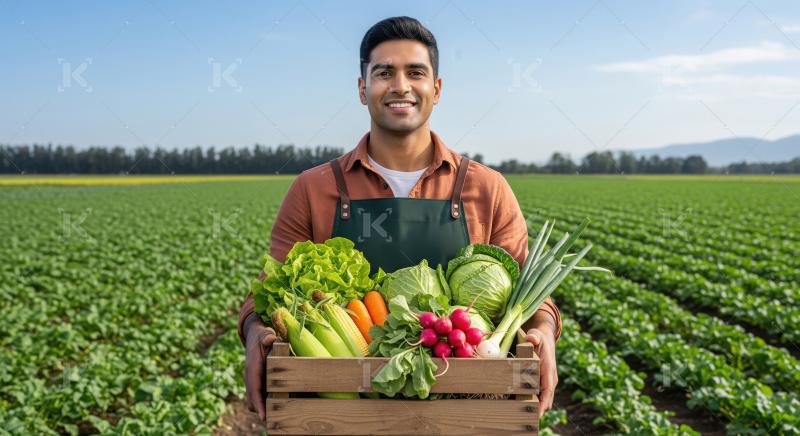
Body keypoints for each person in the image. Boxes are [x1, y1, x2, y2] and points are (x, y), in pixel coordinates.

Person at [238, 16, 562, 422]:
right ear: (362, 88)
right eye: (384, 73)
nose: (400, 86)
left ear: (436, 89)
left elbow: (528, 293)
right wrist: (253, 329)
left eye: (415, 73)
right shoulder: (312, 189)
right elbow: (271, 291)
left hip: (466, 416)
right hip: (341, 419)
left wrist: (544, 329)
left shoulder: (487, 188)